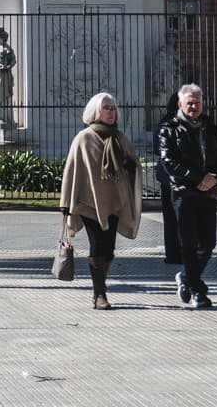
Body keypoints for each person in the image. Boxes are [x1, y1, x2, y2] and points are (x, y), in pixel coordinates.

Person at [60, 92, 142, 310]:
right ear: (96, 111)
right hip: (89, 203)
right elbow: (72, 171)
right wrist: (66, 203)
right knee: (97, 246)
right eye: (107, 108)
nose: (111, 112)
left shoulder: (119, 138)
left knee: (109, 250)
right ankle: (99, 295)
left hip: (115, 203)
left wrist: (128, 163)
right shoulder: (84, 138)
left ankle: (101, 286)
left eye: (113, 108)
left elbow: (133, 166)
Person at [158, 83, 217, 309]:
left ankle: (187, 278)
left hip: (208, 193)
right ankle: (198, 291)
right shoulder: (169, 128)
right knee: (188, 244)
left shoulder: (211, 128)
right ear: (180, 104)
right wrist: (197, 178)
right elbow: (169, 162)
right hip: (184, 194)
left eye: (197, 102)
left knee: (208, 244)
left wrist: (214, 177)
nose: (194, 106)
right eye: (189, 102)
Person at [153, 91, 182, 266]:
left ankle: (172, 253)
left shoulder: (164, 123)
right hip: (178, 178)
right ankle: (184, 251)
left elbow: (157, 148)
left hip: (167, 177)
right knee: (184, 217)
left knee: (170, 218)